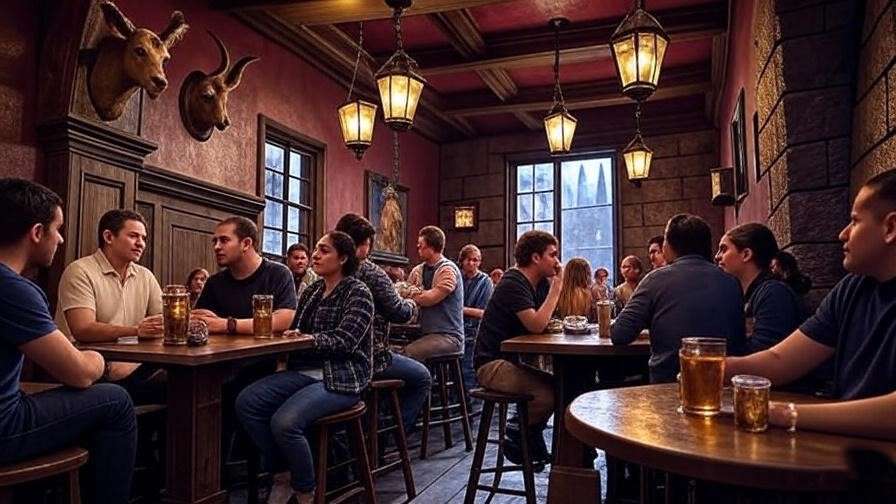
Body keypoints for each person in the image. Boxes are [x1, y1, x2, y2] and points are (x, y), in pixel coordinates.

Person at [725, 170, 896, 441]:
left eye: (854, 221)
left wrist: (785, 414)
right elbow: (780, 359)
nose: (843, 234)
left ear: (890, 228)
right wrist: (715, 368)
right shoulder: (853, 288)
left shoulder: (773, 292)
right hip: (847, 452)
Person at [0, 178, 136, 503]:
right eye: (57, 229)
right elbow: (79, 372)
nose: (60, 239)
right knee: (116, 400)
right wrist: (99, 360)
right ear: (36, 233)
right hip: (4, 429)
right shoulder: (15, 289)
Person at [236, 231, 374, 504]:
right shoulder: (312, 290)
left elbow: (346, 341)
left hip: (344, 375)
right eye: (317, 249)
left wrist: (308, 338)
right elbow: (299, 329)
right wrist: (292, 337)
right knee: (247, 402)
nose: (315, 255)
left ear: (343, 258)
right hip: (305, 371)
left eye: (324, 251)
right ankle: (283, 473)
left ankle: (304, 490)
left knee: (285, 422)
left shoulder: (359, 292)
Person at [612, 214, 746, 383]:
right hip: (723, 386)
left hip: (669, 386)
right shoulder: (732, 282)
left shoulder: (655, 279)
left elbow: (619, 334)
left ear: (668, 246)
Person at [55, 209, 165, 403]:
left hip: (133, 364)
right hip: (88, 369)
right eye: (133, 236)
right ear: (108, 237)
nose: (141, 243)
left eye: (143, 238)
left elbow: (163, 323)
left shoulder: (145, 275)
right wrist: (137, 331)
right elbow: (83, 329)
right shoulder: (80, 271)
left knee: (186, 384)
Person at [335, 213, 430, 432]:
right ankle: (390, 436)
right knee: (422, 377)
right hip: (369, 359)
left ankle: (370, 426)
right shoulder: (370, 272)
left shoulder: (325, 269)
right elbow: (399, 313)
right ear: (364, 244)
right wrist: (412, 303)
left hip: (330, 359)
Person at [475, 230, 563, 468]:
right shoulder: (513, 282)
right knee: (550, 394)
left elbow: (546, 321)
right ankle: (516, 435)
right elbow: (536, 324)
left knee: (562, 386)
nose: (557, 261)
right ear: (536, 257)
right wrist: (557, 287)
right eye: (553, 255)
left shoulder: (537, 284)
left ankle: (526, 437)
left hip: (514, 361)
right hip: (492, 364)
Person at [193, 216, 297, 334]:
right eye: (215, 241)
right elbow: (199, 320)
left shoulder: (278, 274)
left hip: (265, 351)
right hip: (223, 351)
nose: (216, 247)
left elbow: (284, 320)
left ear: (246, 244)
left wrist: (228, 325)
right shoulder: (214, 282)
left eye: (224, 240)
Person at [715, 223, 803, 353]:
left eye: (723, 249)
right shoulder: (751, 295)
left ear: (746, 254)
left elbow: (766, 353)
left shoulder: (774, 293)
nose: (717, 256)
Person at [405, 226, 465, 362]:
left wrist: (410, 294)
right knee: (393, 350)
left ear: (432, 248)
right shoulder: (418, 270)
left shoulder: (448, 270)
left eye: (421, 246)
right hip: (425, 333)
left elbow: (430, 298)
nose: (418, 249)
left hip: (448, 337)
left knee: (407, 355)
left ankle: (424, 383)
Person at [458, 244, 493, 391]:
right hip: (456, 328)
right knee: (456, 373)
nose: (471, 263)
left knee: (468, 372)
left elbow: (484, 313)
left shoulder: (485, 282)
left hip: (474, 331)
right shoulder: (458, 278)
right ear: (462, 261)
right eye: (468, 260)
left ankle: (470, 407)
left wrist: (459, 309)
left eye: (475, 260)